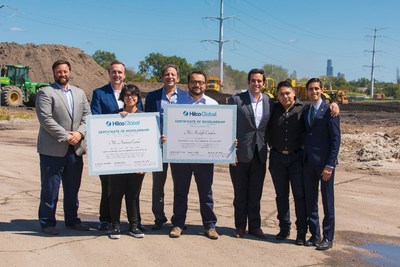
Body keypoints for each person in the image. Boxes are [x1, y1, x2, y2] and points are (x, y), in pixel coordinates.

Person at [36, 59, 91, 235]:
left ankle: (72, 220)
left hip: (75, 150)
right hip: (53, 150)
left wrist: (80, 134)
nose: (62, 74)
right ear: (53, 73)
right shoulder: (45, 92)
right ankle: (47, 222)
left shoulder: (80, 93)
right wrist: (66, 135)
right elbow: (45, 119)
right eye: (59, 72)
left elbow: (87, 116)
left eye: (65, 71)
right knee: (50, 189)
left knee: (73, 188)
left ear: (70, 72)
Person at [91, 60, 144, 232]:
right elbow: (96, 119)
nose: (117, 75)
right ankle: (106, 220)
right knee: (108, 186)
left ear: (124, 74)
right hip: (110, 149)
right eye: (114, 72)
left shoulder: (132, 92)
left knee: (132, 189)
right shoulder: (99, 93)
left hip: (132, 150)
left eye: (120, 72)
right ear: (109, 73)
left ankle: (135, 222)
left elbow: (142, 121)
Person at [168, 71, 219, 239]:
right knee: (180, 192)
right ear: (188, 84)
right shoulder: (176, 103)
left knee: (206, 192)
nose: (197, 85)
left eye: (201, 82)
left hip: (204, 157)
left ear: (205, 85)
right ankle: (178, 224)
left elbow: (220, 130)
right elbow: (171, 126)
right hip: (181, 156)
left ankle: (209, 226)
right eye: (194, 82)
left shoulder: (213, 104)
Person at [227, 69, 274, 239]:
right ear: (248, 82)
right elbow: (226, 124)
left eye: (259, 81)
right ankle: (240, 226)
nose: (256, 84)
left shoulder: (270, 102)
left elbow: (290, 103)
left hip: (260, 154)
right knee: (240, 193)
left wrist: (332, 105)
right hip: (239, 154)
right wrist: (230, 150)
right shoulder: (236, 100)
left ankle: (255, 226)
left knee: (256, 193)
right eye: (253, 80)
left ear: (263, 83)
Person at [144, 64, 189, 230]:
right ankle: (159, 217)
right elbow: (147, 120)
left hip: (180, 147)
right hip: (159, 147)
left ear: (177, 78)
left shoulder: (186, 97)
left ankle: (178, 219)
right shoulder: (152, 97)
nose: (170, 77)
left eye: (173, 74)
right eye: (167, 74)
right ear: (162, 77)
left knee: (180, 185)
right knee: (158, 185)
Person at [302, 78, 341, 250]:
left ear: (322, 89)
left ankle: (328, 237)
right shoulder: (306, 110)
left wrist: (330, 165)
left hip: (325, 166)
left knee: (327, 201)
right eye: (310, 89)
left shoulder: (330, 111)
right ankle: (315, 235)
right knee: (311, 201)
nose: (314, 92)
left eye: (316, 89)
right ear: (307, 91)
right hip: (308, 163)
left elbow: (336, 139)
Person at [108, 84, 146, 239]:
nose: (130, 98)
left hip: (137, 164)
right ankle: (115, 226)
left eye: (133, 95)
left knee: (133, 195)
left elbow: (148, 142)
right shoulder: (113, 116)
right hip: (117, 164)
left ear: (138, 97)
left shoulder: (145, 117)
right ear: (122, 97)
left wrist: (144, 163)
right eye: (127, 95)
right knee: (115, 194)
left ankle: (134, 226)